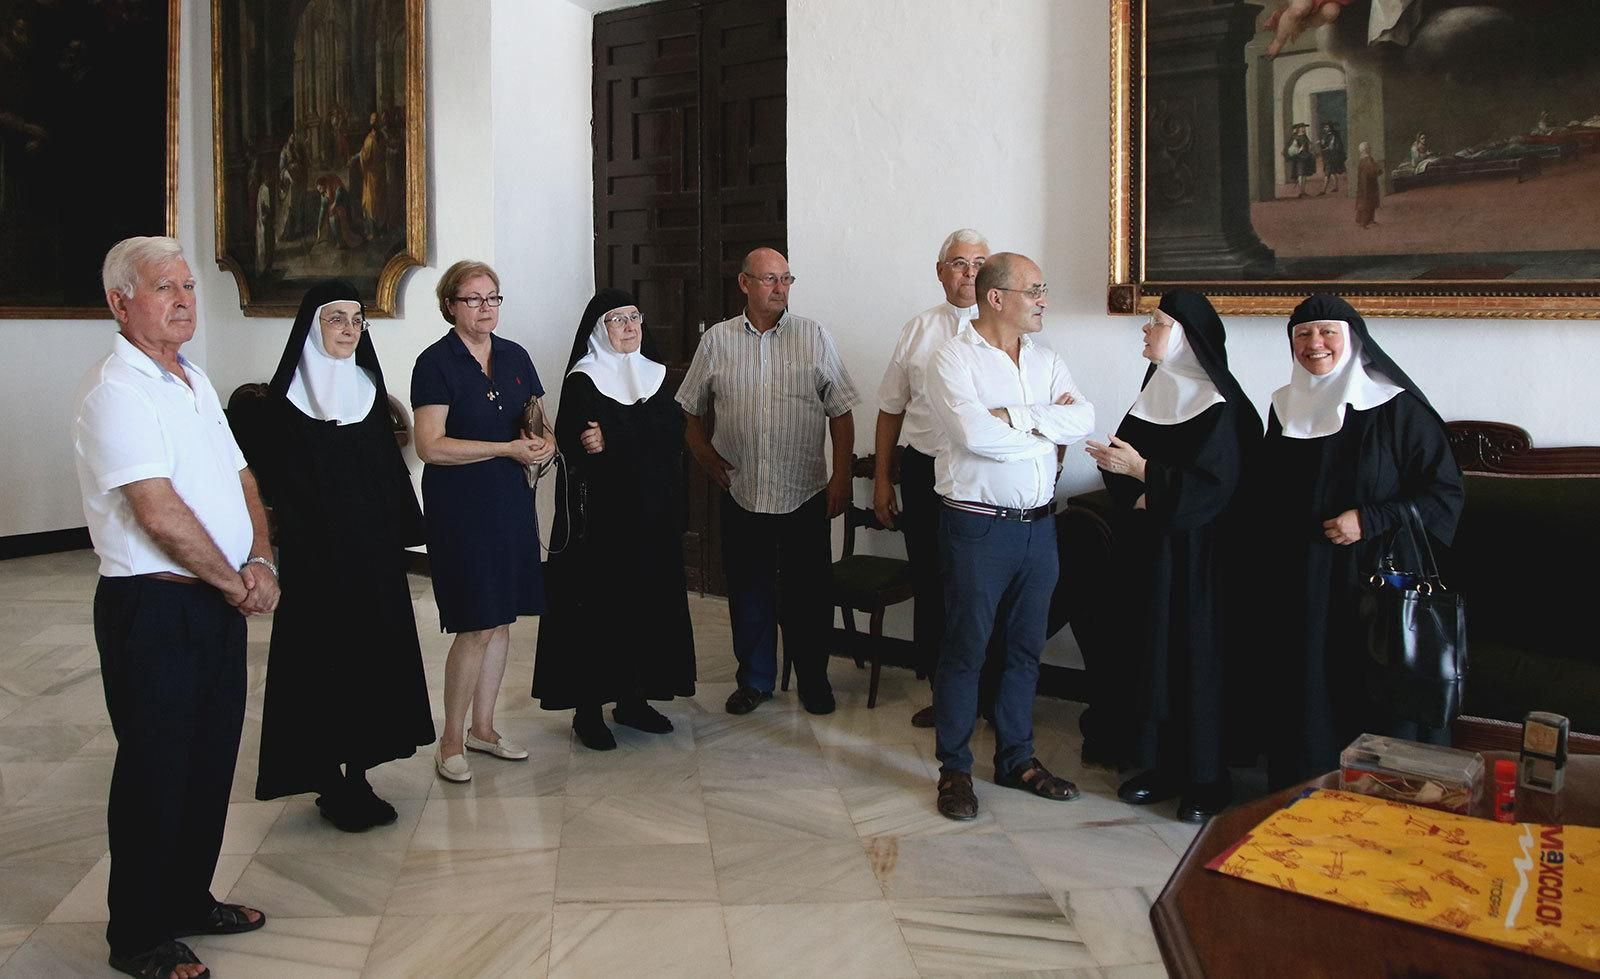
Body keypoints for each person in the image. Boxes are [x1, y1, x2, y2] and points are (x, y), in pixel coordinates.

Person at [73, 236, 272, 979]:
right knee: (156, 769)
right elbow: (156, 513)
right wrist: (234, 582)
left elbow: (242, 476)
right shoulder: (115, 392)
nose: (185, 300)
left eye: (188, 286)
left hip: (214, 597)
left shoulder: (193, 377)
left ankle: (188, 897)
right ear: (120, 303)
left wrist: (260, 559)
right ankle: (138, 934)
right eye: (165, 287)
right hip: (152, 607)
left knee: (209, 759)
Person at [245, 280, 435, 830]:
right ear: (313, 327)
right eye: (337, 319)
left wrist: (397, 532)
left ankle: (360, 773)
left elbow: (387, 474)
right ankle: (328, 778)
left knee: (371, 663)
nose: (350, 330)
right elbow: (273, 484)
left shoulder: (368, 390)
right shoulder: (284, 403)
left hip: (371, 559)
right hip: (316, 562)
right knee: (321, 665)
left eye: (357, 320)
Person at [1261, 294, 1464, 788]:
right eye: (1302, 334)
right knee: (1306, 688)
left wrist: (1370, 519)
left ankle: (1378, 798)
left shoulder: (1395, 407)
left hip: (1375, 581)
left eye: (1327, 332)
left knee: (1370, 690)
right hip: (1302, 578)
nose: (1314, 343)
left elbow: (1444, 494)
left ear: (1352, 340)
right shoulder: (1283, 405)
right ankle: (1306, 791)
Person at [924, 252, 1095, 821]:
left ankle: (1016, 759)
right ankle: (954, 770)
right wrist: (1045, 426)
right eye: (1035, 290)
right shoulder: (952, 358)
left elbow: (1083, 420)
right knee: (966, 648)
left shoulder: (1048, 360)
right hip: (977, 527)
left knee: (1025, 648)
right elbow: (974, 435)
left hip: (1039, 528)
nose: (1044, 300)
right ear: (996, 297)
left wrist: (1015, 416)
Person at [1086, 290, 1261, 823]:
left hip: (1201, 563)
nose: (1147, 331)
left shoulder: (1224, 408)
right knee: (1151, 654)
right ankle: (1158, 764)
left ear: (1185, 337)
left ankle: (1207, 778)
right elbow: (1121, 460)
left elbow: (1217, 488)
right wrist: (1131, 484)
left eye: (1157, 323)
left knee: (1194, 660)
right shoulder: (1155, 392)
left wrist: (1145, 477)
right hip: (1149, 552)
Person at [678, 246, 859, 716]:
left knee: (808, 595)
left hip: (803, 492)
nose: (780, 288)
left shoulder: (813, 336)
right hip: (743, 491)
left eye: (786, 279)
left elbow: (841, 412)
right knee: (748, 591)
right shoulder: (717, 341)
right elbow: (690, 409)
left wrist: (841, 476)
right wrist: (706, 456)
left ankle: (813, 680)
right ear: (744, 284)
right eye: (769, 279)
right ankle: (755, 680)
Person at [533, 289, 696, 749]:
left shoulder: (658, 375)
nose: (629, 327)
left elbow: (673, 433)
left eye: (634, 317)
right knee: (598, 614)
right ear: (598, 331)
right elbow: (580, 444)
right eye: (617, 320)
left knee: (646, 608)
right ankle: (588, 711)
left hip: (652, 518)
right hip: (601, 524)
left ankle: (633, 700)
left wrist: (618, 435)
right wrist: (633, 438)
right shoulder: (584, 379)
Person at [413, 260, 554, 782]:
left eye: (493, 298)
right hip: (461, 507)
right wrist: (505, 449)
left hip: (510, 501)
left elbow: (539, 421)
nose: (485, 308)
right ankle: (450, 740)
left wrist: (545, 444)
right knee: (476, 622)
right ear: (450, 305)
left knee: (502, 619)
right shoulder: (436, 362)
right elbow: (430, 445)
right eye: (473, 299)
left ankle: (484, 729)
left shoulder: (514, 355)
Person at [873, 228, 998, 729]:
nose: (969, 273)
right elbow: (890, 409)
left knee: (981, 587)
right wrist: (883, 480)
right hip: (925, 472)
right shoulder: (918, 329)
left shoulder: (1009, 328)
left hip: (984, 474)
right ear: (940, 271)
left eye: (979, 263)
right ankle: (944, 695)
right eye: (959, 263)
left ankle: (989, 695)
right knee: (933, 582)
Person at [1284, 122, 1316, 197]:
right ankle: (1301, 191)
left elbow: (1309, 145)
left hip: (1306, 157)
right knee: (1301, 174)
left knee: (1304, 174)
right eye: (1302, 128)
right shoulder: (1295, 137)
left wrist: (1311, 147)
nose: (1304, 129)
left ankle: (1303, 191)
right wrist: (1299, 149)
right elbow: (1291, 148)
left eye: (1304, 127)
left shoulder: (1305, 136)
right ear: (1299, 129)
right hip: (1299, 158)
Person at [1355, 142, 1381, 228]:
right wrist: (1378, 169)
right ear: (1366, 149)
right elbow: (1373, 170)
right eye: (1368, 148)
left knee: (1366, 202)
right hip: (1368, 185)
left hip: (1365, 184)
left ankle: (1365, 220)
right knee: (1367, 203)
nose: (1370, 149)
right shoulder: (1368, 159)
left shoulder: (1362, 160)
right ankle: (1364, 222)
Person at [1318, 122, 1346, 196]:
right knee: (1333, 171)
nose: (1325, 128)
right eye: (1325, 127)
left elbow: (1332, 146)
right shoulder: (1326, 135)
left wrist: (1325, 146)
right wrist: (1321, 143)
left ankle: (1323, 189)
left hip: (1331, 156)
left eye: (1327, 127)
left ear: (1330, 128)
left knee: (1327, 172)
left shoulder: (1333, 136)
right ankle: (1336, 187)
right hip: (1327, 155)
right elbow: (1324, 144)